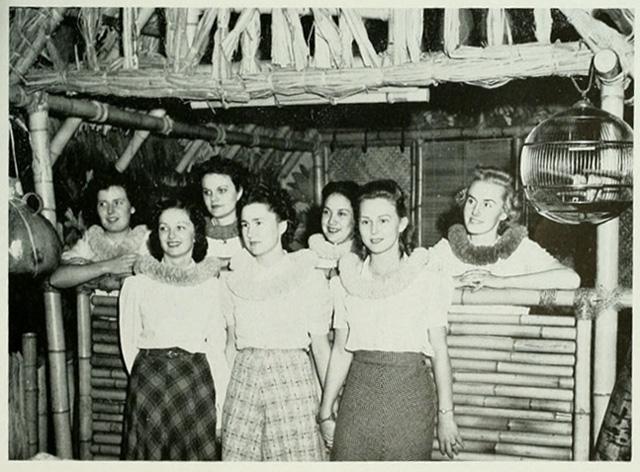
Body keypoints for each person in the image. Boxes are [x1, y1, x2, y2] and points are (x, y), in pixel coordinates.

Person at [318, 179, 462, 461]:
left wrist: (446, 416)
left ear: (402, 223)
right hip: (358, 396)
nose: (374, 231)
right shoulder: (346, 282)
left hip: (409, 396)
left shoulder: (427, 279)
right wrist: (325, 412)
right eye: (366, 222)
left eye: (383, 220)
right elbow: (341, 351)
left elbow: (440, 351)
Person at [221, 177, 331, 461]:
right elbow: (231, 345)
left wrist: (329, 406)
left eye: (259, 222)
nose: (251, 233)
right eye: (245, 225)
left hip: (292, 383)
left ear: (282, 225)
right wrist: (222, 401)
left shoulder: (308, 277)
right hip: (243, 383)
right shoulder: (233, 279)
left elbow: (320, 348)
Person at [119, 198, 233, 460]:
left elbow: (216, 349)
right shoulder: (137, 285)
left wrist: (220, 406)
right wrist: (149, 376)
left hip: (194, 383)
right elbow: (129, 343)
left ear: (196, 233)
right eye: (164, 228)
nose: (171, 236)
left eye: (180, 227)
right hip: (149, 382)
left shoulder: (211, 286)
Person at [428, 167, 581, 290]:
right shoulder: (446, 249)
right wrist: (452, 281)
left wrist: (501, 282)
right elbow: (414, 278)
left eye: (487, 204)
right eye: (471, 201)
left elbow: (571, 279)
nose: (475, 211)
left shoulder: (522, 250)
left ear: (504, 212)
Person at [49, 170, 149, 290]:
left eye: (118, 203)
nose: (110, 211)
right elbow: (56, 279)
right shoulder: (91, 239)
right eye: (103, 204)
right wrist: (107, 266)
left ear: (132, 207)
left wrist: (119, 284)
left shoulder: (146, 239)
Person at [195, 158, 249, 262]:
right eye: (207, 192)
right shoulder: (195, 231)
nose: (213, 199)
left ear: (239, 192)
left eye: (222, 190)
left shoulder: (251, 231)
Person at [308, 181, 360, 275]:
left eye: (341, 214)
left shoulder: (363, 260)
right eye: (326, 212)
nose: (331, 221)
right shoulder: (309, 254)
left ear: (356, 219)